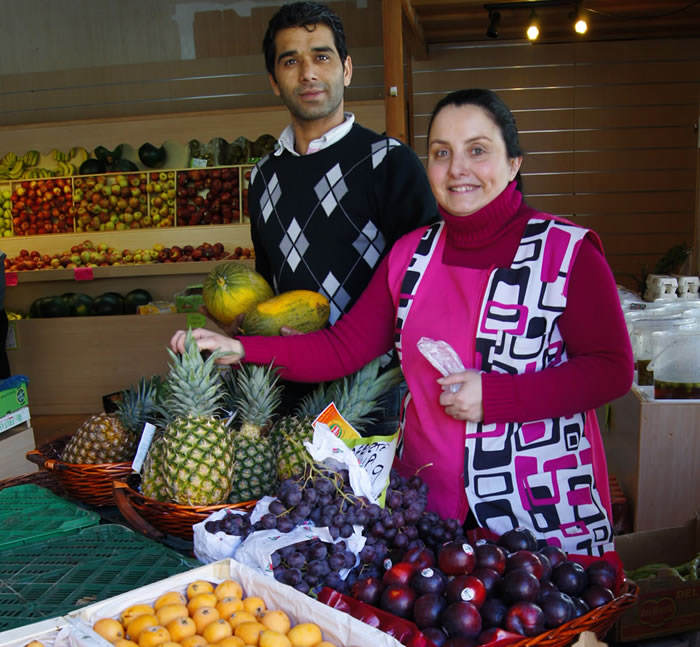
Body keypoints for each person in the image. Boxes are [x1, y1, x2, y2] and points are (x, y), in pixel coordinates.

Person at [174, 89, 634, 555]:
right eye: (441, 153)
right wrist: (242, 350)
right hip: (430, 513)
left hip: (539, 512)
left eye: (478, 150)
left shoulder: (567, 252)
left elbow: (612, 369)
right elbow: (343, 348)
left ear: (513, 162)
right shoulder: (411, 254)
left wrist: (496, 397)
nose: (458, 168)